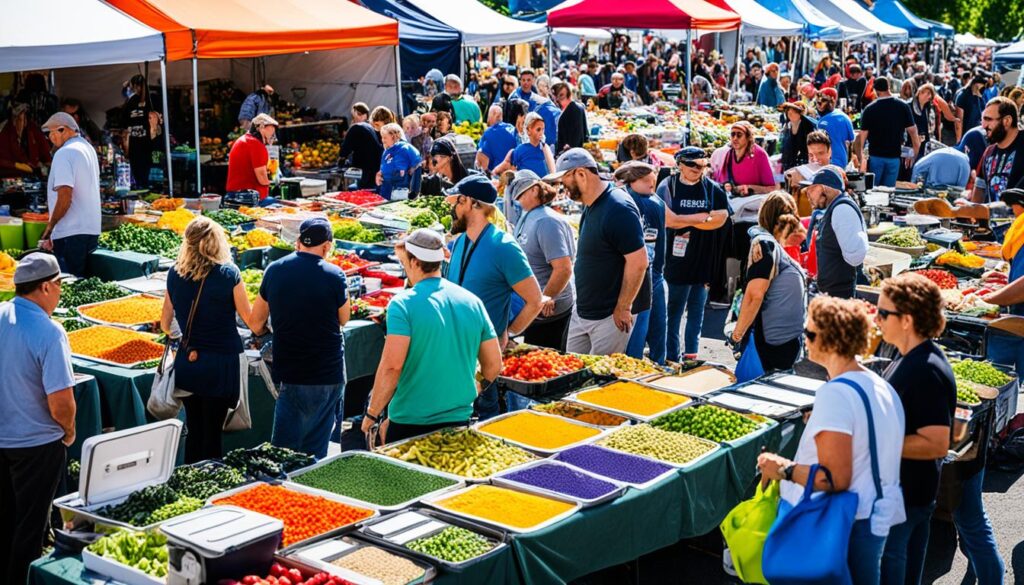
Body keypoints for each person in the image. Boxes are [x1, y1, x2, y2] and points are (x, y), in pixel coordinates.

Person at [758, 296, 905, 585]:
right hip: (874, 515)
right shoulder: (881, 386)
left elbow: (834, 479)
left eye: (810, 334)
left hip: (846, 523)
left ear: (831, 341)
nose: (806, 340)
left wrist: (781, 468)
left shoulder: (835, 394)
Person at [361, 230, 502, 444]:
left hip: (410, 423)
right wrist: (476, 386)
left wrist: (372, 414)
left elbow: (392, 367)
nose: (405, 268)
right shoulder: (472, 301)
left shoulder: (402, 304)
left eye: (404, 262)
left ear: (415, 262)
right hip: (459, 419)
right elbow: (493, 364)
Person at [0, 253, 76, 585]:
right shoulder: (49, 331)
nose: (60, 292)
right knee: (31, 528)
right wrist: (69, 431)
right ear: (46, 286)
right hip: (36, 445)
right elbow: (61, 403)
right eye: (59, 285)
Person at [876, 273, 956, 585]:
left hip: (907, 496)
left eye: (884, 313)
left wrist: (878, 441)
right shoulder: (910, 356)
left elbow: (937, 444)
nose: (878, 319)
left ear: (906, 320)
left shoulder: (926, 370)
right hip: (908, 493)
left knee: (893, 566)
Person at [250, 218, 351, 458]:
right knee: (316, 451)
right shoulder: (335, 274)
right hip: (328, 372)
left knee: (283, 454)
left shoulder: (274, 270)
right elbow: (344, 319)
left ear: (298, 242)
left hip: (291, 371)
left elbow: (255, 323)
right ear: (327, 246)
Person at [444, 175, 542, 417]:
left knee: (484, 420)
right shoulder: (459, 244)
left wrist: (508, 333)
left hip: (483, 360)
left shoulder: (504, 247)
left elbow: (535, 300)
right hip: (455, 352)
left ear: (471, 203)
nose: (452, 209)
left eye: (457, 202)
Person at [162, 217, 255, 463]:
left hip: (188, 362)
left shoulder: (174, 273)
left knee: (194, 429)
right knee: (213, 433)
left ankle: (189, 484)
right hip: (221, 364)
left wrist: (186, 336)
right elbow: (249, 319)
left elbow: (165, 324)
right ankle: (209, 486)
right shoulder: (229, 274)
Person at [546, 148, 648, 355]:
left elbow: (638, 262)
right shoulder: (591, 205)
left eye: (564, 179)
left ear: (581, 174)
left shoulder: (618, 207)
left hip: (609, 316)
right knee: (570, 375)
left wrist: (624, 306)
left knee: (599, 381)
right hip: (583, 311)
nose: (561, 187)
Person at [658, 147, 731, 361]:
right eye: (693, 165)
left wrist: (684, 220)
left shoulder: (712, 189)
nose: (698, 170)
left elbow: (721, 218)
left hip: (703, 259)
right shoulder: (668, 186)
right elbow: (667, 220)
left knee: (696, 313)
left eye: (703, 165)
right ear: (680, 164)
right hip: (675, 261)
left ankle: (691, 355)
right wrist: (702, 218)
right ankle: (671, 356)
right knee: (674, 312)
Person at [729, 192, 807, 372]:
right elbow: (754, 295)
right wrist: (737, 336)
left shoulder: (772, 244)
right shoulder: (765, 245)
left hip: (782, 343)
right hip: (771, 346)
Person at [509, 170, 576, 351]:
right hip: (533, 308)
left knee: (547, 365)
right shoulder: (528, 214)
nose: (518, 200)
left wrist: (547, 297)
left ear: (534, 190)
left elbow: (563, 268)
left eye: (522, 193)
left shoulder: (547, 221)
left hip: (549, 312)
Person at [617, 162, 668, 364]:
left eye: (653, 181)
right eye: (647, 180)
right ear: (633, 180)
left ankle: (647, 367)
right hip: (645, 274)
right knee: (644, 332)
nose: (652, 184)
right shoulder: (641, 201)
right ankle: (647, 367)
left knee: (649, 330)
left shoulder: (645, 200)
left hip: (651, 272)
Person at [39, 112, 101, 277]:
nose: (51, 137)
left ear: (64, 130)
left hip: (70, 232)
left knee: (69, 284)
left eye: (53, 132)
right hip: (91, 230)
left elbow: (65, 196)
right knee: (84, 284)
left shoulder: (64, 153)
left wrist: (51, 227)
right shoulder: (88, 149)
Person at [806, 166, 867, 299]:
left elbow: (855, 256)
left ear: (824, 188)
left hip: (838, 296)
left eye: (810, 189)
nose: (807, 195)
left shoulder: (842, 210)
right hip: (830, 294)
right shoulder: (836, 208)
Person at [856, 77, 920, 188]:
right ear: (889, 87)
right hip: (894, 157)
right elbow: (913, 133)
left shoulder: (869, 109)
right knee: (889, 192)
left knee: (873, 191)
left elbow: (862, 137)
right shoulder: (903, 106)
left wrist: (861, 159)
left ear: (875, 90)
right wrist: (914, 154)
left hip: (876, 157)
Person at [972, 97, 1024, 204]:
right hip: (993, 219)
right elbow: (979, 188)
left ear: (1007, 121)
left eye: (988, 119)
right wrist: (971, 211)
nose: (983, 126)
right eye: (983, 120)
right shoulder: (988, 152)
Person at [225, 113, 277, 201]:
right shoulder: (256, 144)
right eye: (271, 127)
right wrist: (274, 183)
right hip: (247, 197)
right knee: (278, 203)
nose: (273, 130)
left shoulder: (244, 139)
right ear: (261, 127)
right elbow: (262, 178)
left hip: (235, 195)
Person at [493, 113, 555, 179]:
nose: (541, 133)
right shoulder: (519, 150)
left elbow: (552, 170)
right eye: (538, 129)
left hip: (544, 183)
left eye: (543, 129)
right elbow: (513, 171)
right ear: (528, 130)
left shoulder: (545, 148)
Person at [121, 74, 156, 188]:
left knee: (144, 174)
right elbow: (125, 125)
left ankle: (143, 189)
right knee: (138, 174)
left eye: (136, 86)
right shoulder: (131, 101)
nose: (135, 89)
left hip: (145, 144)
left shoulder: (151, 100)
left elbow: (155, 123)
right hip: (135, 144)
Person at [339, 103, 384, 190]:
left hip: (365, 170)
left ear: (356, 113)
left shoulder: (355, 127)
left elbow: (344, 150)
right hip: (376, 168)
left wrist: (341, 159)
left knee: (363, 192)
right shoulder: (371, 127)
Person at [0, 103, 50, 178]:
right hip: (8, 175)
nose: (17, 124)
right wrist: (17, 165)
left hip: (32, 176)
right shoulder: (4, 131)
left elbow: (46, 154)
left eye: (20, 120)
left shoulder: (33, 130)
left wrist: (47, 166)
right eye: (15, 119)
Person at [376, 123, 421, 200]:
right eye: (382, 137)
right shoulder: (387, 150)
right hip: (388, 187)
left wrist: (403, 168)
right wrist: (380, 173)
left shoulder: (402, 147)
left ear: (393, 137)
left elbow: (415, 158)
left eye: (385, 137)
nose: (382, 140)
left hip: (399, 189)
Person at [816, 88, 856, 168]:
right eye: (817, 102)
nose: (818, 105)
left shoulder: (822, 123)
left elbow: (819, 146)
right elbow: (852, 138)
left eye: (822, 101)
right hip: (843, 162)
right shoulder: (845, 116)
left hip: (828, 164)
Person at [476, 105, 519, 173]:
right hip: (514, 171)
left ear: (491, 116)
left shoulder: (488, 133)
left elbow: (481, 155)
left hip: (496, 174)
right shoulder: (512, 128)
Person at [779, 102, 815, 171]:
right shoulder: (788, 124)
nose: (790, 112)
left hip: (803, 164)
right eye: (789, 110)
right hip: (789, 162)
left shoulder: (807, 125)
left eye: (794, 110)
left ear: (800, 113)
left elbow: (809, 146)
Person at [553, 82, 588, 154]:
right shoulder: (575, 107)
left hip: (571, 154)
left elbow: (577, 135)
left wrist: (568, 150)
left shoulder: (574, 109)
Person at [955, 76, 987, 141]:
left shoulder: (980, 98)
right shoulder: (963, 95)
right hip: (966, 136)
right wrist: (958, 141)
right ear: (976, 84)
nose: (982, 88)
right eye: (981, 85)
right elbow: (959, 121)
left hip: (977, 135)